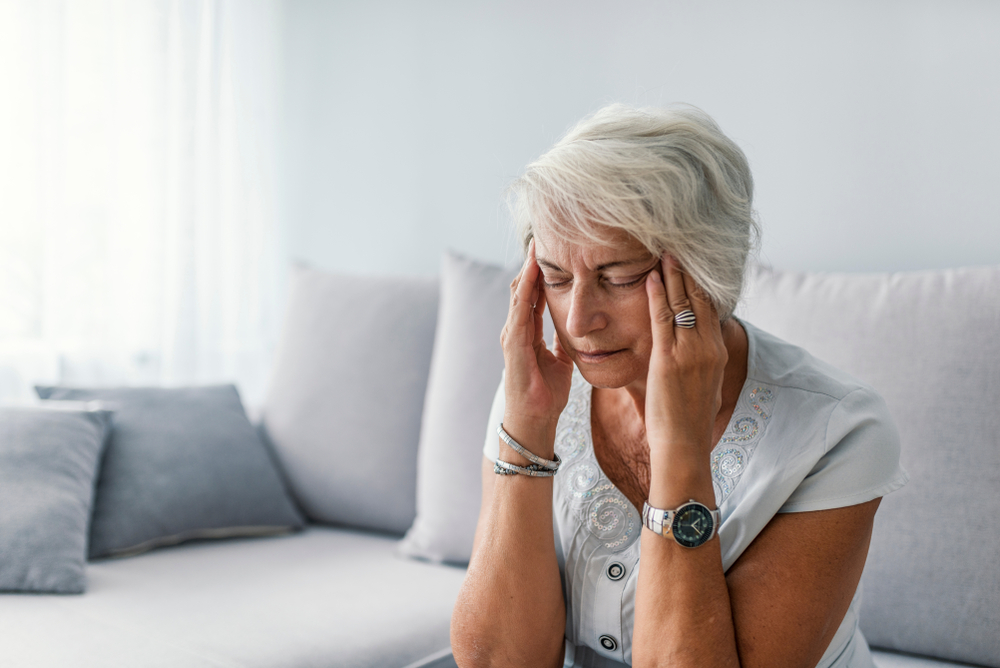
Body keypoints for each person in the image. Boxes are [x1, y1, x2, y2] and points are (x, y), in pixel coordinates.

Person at [449, 104, 908, 668]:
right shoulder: (538, 392)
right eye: (558, 278)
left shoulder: (839, 432)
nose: (576, 322)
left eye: (616, 277)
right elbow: (495, 661)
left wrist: (679, 449)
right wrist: (524, 432)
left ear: (706, 272)